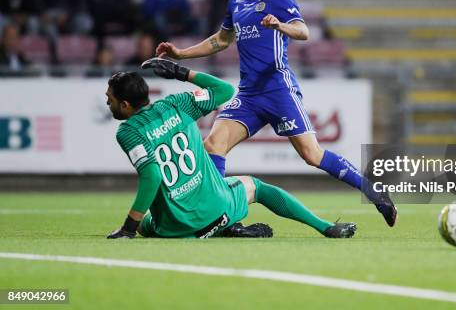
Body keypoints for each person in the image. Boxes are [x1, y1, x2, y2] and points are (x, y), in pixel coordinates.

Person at [155, 0, 397, 227]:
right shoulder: (237, 1)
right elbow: (221, 40)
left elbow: (303, 32)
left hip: (278, 89)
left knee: (312, 154)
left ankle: (374, 191)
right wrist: (181, 54)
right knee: (213, 144)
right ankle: (217, 215)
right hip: (248, 95)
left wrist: (280, 25)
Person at [106, 58, 356, 239]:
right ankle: (324, 227)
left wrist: (129, 228)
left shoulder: (129, 131)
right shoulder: (177, 104)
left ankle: (218, 229)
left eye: (111, 99)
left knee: (144, 225)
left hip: (177, 228)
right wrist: (181, 72)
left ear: (126, 105)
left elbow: (152, 175)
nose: (108, 102)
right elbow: (224, 90)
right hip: (218, 210)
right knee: (256, 187)